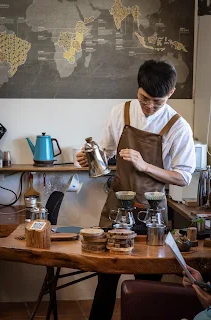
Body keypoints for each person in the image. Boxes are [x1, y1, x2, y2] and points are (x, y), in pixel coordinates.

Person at [77, 60, 196, 320]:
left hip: (152, 213)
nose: (149, 106)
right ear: (138, 88)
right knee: (106, 279)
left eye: (158, 101)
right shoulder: (121, 112)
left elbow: (183, 176)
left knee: (148, 286)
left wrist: (145, 165)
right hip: (115, 207)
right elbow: (107, 150)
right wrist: (91, 157)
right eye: (144, 98)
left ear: (171, 93)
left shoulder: (178, 127)